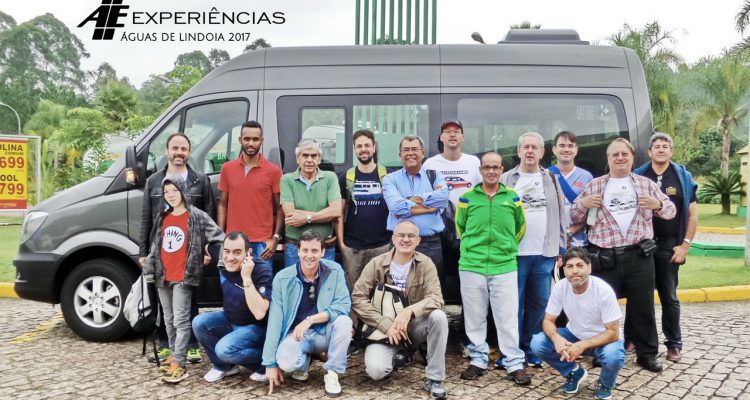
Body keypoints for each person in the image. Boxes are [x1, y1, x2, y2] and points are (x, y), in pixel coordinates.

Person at [572, 138, 675, 372]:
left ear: (632, 158)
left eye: (624, 154)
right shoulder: (596, 185)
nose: (620, 158)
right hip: (604, 257)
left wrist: (658, 205)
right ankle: (601, 352)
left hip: (638, 256)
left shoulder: (646, 184)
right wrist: (584, 203)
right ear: (608, 159)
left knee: (643, 307)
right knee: (602, 308)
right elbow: (575, 216)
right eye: (615, 154)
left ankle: (647, 354)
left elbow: (671, 211)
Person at [455, 152, 532, 385]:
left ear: (501, 170)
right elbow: (460, 228)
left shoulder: (512, 197)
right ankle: (478, 359)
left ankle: (514, 363)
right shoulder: (467, 198)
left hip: (504, 266)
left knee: (507, 317)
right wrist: (473, 249)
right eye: (487, 167)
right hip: (472, 265)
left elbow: (520, 228)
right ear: (480, 170)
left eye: (495, 167)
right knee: (475, 317)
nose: (491, 171)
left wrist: (506, 249)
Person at [139, 132, 215, 364]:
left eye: (183, 149)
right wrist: (143, 253)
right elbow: (146, 219)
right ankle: (165, 344)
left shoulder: (200, 181)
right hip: (160, 253)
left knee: (188, 299)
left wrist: (206, 248)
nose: (179, 153)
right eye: (175, 148)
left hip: (189, 252)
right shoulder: (153, 182)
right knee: (162, 302)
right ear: (167, 151)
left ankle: (191, 345)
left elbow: (208, 215)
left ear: (189, 152)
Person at [351, 221, 449, 399]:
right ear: (393, 239)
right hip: (384, 331)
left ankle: (435, 379)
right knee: (376, 372)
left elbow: (436, 298)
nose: (405, 239)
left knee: (439, 317)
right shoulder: (376, 263)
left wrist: (409, 311)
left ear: (418, 240)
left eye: (411, 236)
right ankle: (398, 355)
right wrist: (385, 324)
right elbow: (358, 298)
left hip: (413, 327)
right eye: (401, 235)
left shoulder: (425, 264)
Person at [142, 176, 224, 383]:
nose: (170, 195)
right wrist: (149, 266)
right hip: (162, 275)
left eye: (174, 190)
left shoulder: (196, 215)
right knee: (168, 320)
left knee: (181, 320)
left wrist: (211, 250)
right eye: (166, 192)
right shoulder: (163, 217)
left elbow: (219, 236)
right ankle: (174, 356)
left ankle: (180, 363)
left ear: (183, 190)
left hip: (184, 276)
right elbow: (156, 246)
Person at [500, 132, 568, 367]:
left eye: (534, 147)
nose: (530, 151)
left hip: (544, 253)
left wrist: (561, 247)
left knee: (539, 303)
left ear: (542, 152)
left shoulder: (551, 178)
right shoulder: (507, 179)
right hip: (514, 254)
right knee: (513, 305)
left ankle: (530, 348)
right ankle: (511, 351)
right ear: (519, 151)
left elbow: (561, 212)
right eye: (526, 147)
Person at [262, 230, 352, 397]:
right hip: (298, 335)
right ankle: (304, 363)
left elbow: (343, 305)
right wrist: (270, 363)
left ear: (322, 252)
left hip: (325, 332)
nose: (309, 255)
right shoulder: (282, 278)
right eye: (305, 250)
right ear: (298, 251)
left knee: (344, 322)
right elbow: (274, 321)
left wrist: (310, 320)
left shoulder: (334, 270)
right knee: (286, 363)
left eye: (314, 250)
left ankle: (332, 373)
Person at [633, 132, 698, 363]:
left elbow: (692, 215)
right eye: (657, 146)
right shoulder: (638, 175)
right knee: (639, 295)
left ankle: (673, 343)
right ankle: (635, 339)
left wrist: (685, 245)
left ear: (671, 151)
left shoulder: (682, 178)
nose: (661, 149)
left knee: (669, 296)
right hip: (640, 245)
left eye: (665, 146)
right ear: (649, 152)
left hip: (669, 245)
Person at [530, 247, 625, 400]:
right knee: (538, 343)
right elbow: (548, 320)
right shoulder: (560, 287)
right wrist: (556, 338)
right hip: (574, 335)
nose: (575, 271)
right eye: (570, 266)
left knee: (613, 357)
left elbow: (613, 333)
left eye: (580, 265)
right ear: (564, 270)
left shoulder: (603, 290)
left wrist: (582, 345)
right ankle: (573, 372)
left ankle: (605, 384)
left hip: (604, 339)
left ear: (589, 268)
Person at [192, 231, 273, 383]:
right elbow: (208, 244)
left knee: (224, 349)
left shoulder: (262, 270)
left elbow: (260, 313)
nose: (230, 257)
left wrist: (246, 277)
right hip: (230, 319)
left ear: (248, 253)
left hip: (256, 328)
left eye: (237, 252)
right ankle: (224, 367)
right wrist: (204, 252)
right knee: (199, 322)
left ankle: (265, 365)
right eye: (227, 251)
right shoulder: (223, 259)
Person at [217, 121, 283, 273]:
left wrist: (275, 237)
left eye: (255, 139)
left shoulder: (273, 171)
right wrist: (221, 237)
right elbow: (222, 204)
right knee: (232, 287)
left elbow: (280, 207)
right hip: (233, 241)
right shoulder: (227, 168)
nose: (251, 143)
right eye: (247, 139)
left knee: (261, 287)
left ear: (262, 140)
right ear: (240, 140)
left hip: (262, 244)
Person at [382, 135, 449, 278]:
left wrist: (408, 200)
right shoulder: (390, 179)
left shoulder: (435, 176)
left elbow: (443, 198)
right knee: (399, 289)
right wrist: (430, 207)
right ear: (400, 155)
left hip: (430, 245)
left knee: (432, 289)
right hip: (400, 244)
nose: (410, 153)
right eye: (406, 150)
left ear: (422, 153)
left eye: (414, 149)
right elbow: (395, 207)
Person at [337, 129, 392, 289]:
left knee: (382, 294)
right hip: (353, 248)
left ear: (374, 147)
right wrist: (342, 246)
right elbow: (339, 213)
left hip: (382, 246)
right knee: (355, 294)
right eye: (359, 146)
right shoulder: (346, 177)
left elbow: (396, 210)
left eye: (367, 145)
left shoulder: (387, 176)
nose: (363, 149)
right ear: (355, 150)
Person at [280, 139, 342, 267]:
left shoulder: (330, 177)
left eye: (314, 156)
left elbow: (336, 211)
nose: (309, 160)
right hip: (296, 248)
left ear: (319, 159)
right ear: (297, 159)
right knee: (294, 280)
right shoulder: (287, 180)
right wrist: (325, 214)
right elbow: (290, 213)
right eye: (305, 155)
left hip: (325, 247)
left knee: (326, 280)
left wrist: (306, 218)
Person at [550, 131, 594, 248]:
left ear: (576, 150)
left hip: (579, 242)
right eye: (562, 145)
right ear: (554, 149)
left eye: (570, 146)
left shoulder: (586, 177)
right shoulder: (545, 175)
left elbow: (591, 213)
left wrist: (570, 232)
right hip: (551, 242)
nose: (566, 149)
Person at [422, 120, 481, 207]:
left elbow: (482, 191)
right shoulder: (429, 164)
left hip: (468, 214)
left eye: (456, 131)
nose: (452, 135)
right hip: (439, 214)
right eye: (448, 132)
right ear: (441, 137)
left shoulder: (474, 162)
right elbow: (422, 195)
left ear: (462, 137)